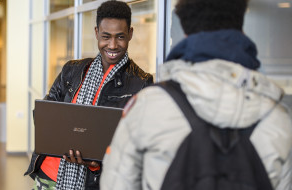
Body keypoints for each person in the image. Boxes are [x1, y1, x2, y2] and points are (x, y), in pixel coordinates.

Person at [100, 0, 292, 189]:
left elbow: (116, 183)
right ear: (241, 32)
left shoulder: (148, 106)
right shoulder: (278, 119)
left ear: (185, 35)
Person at [24, 1, 153, 189]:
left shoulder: (141, 83)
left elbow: (138, 146)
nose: (112, 45)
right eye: (105, 36)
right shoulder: (72, 70)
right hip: (48, 176)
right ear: (96, 33)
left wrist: (97, 164)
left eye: (120, 37)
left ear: (130, 34)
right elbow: (45, 114)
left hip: (92, 182)